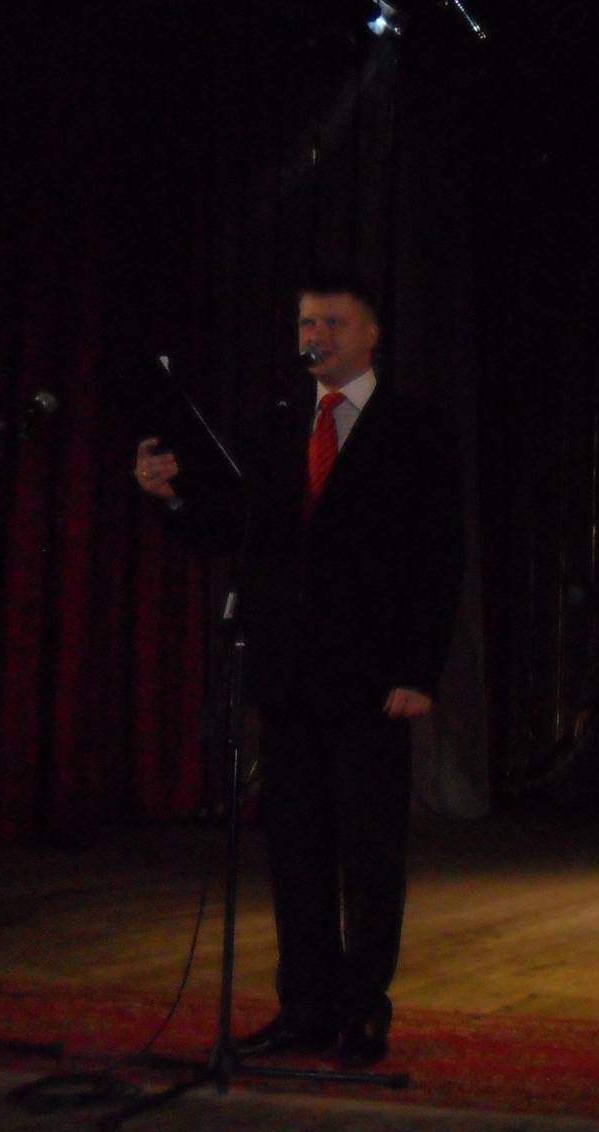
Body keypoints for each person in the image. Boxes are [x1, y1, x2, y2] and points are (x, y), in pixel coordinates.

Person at [134, 279, 465, 1068]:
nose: (316, 335)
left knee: (369, 852)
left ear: (372, 334)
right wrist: (171, 498)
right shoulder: (278, 425)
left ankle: (364, 1011)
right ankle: (304, 1008)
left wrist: (419, 669)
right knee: (294, 850)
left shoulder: (416, 428)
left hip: (372, 676)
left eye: (334, 322)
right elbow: (236, 529)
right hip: (286, 672)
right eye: (307, 322)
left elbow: (439, 556)